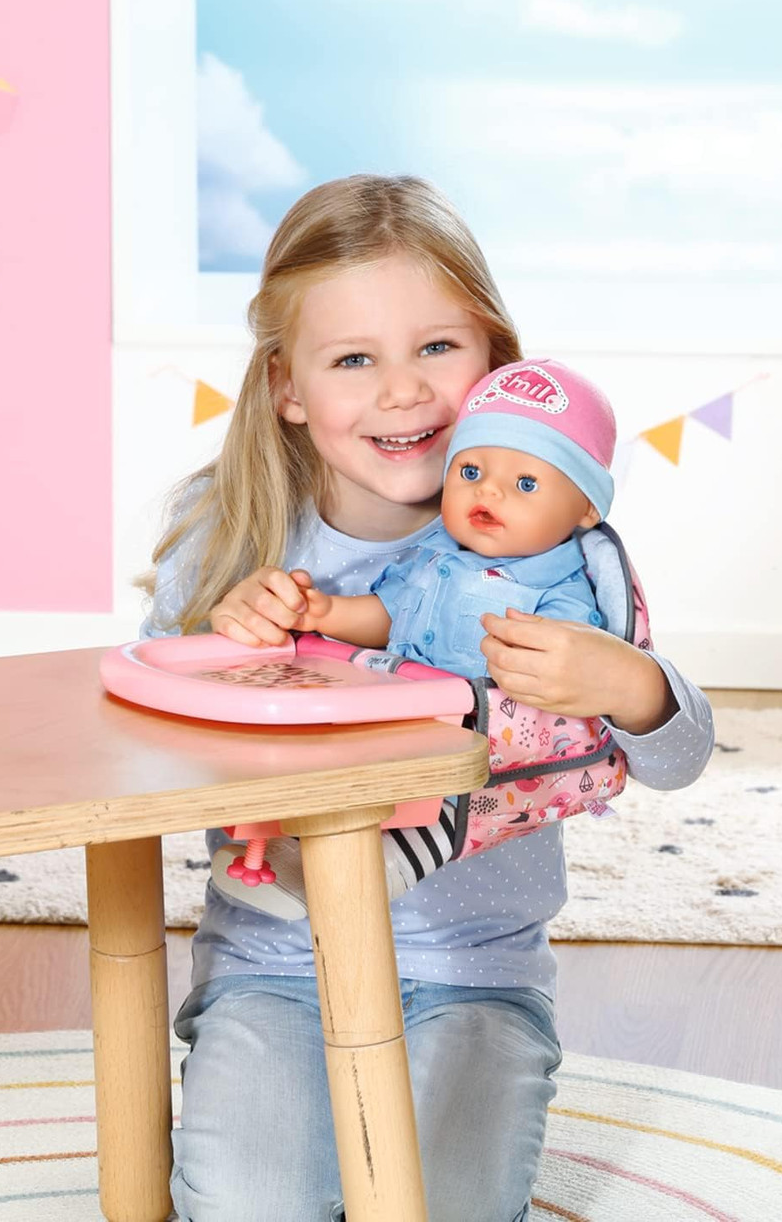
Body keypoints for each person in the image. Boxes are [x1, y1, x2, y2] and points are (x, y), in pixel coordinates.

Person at [140, 173, 714, 1222]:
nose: (402, 390)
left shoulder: (553, 548)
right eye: (355, 358)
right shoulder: (223, 530)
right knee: (249, 1208)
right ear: (288, 386)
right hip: (276, 967)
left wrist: (626, 682)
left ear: (499, 365)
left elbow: (679, 757)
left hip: (476, 977)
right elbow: (140, 761)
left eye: (437, 348)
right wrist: (223, 648)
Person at [220, 357, 617, 911]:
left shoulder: (561, 587)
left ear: (585, 509)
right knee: (328, 766)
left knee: (445, 801)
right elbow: (389, 613)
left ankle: (366, 874)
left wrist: (552, 655)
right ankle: (273, 850)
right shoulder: (435, 557)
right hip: (404, 713)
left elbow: (575, 661)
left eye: (526, 483)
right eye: (471, 472)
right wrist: (325, 612)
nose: (490, 493)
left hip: (488, 740)